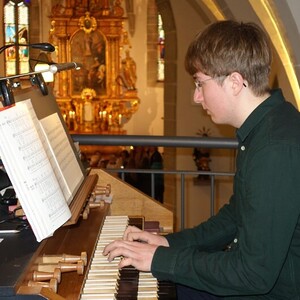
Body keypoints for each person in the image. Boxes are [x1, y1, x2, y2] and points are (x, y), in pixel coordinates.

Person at [103, 20, 300, 299]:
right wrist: (169, 244)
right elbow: (236, 216)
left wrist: (158, 260)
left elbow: (253, 274)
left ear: (234, 82)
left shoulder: (274, 148)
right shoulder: (265, 128)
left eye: (200, 82)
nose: (196, 97)